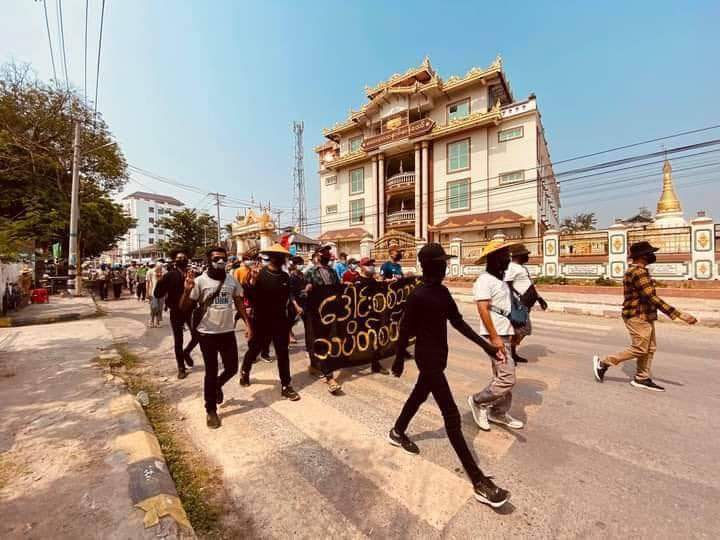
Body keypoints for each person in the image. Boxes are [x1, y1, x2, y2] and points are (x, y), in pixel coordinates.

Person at [389, 243, 510, 508]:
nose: (446, 266)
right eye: (442, 262)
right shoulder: (418, 296)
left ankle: (397, 431)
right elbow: (404, 330)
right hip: (427, 359)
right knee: (452, 418)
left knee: (419, 395)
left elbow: (458, 323)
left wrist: (488, 346)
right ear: (431, 266)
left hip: (439, 357)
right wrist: (398, 359)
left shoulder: (442, 293)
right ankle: (478, 480)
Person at [592, 241, 697, 391]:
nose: (652, 255)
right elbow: (651, 297)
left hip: (644, 314)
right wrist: (680, 315)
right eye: (650, 253)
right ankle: (604, 363)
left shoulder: (637, 270)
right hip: (637, 315)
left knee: (650, 348)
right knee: (640, 349)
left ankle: (642, 378)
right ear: (642, 256)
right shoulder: (638, 272)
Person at [179, 246, 251, 428]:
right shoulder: (200, 281)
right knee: (210, 372)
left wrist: (248, 324)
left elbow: (239, 302)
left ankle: (217, 385)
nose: (220, 262)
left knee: (232, 368)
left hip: (227, 332)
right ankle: (210, 409)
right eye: (216, 258)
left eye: (223, 259)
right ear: (208, 261)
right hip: (207, 334)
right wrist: (187, 291)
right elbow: (184, 308)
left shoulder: (231, 281)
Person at [467, 239, 524, 432]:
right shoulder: (484, 280)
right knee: (507, 378)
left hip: (505, 333)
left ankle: (498, 412)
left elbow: (505, 309)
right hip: (495, 335)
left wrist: (514, 332)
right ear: (493, 259)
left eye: (508, 256)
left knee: (501, 375)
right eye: (504, 256)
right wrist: (494, 338)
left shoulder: (500, 280)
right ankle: (478, 400)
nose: (508, 260)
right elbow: (482, 309)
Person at [239, 244, 301, 401]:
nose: (281, 260)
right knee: (254, 349)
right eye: (278, 257)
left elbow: (288, 298)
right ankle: (245, 371)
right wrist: (252, 281)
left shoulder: (285, 277)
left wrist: (292, 313)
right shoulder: (260, 274)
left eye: (283, 257)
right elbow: (251, 297)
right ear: (271, 257)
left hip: (280, 320)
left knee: (283, 353)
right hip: (261, 320)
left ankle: (286, 385)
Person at [154, 250, 199, 379]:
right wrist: (160, 281)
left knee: (197, 336)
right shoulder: (169, 276)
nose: (182, 259)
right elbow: (158, 294)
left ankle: (187, 352)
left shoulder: (193, 274)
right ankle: (181, 367)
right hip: (176, 311)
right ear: (174, 261)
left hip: (191, 310)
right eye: (179, 258)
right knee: (178, 340)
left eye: (184, 257)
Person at [304, 244, 342, 394]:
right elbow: (302, 293)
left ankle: (315, 365)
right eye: (325, 252)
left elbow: (338, 289)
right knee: (321, 341)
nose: (328, 254)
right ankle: (329, 376)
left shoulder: (333, 272)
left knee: (329, 339)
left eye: (329, 252)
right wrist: (306, 291)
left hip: (331, 313)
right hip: (317, 314)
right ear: (318, 255)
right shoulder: (310, 273)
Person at [503, 245, 548, 363]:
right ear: (519, 256)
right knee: (523, 329)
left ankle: (511, 353)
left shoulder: (521, 268)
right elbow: (507, 284)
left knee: (518, 330)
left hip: (526, 304)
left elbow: (529, 285)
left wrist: (539, 298)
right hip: (520, 304)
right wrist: (516, 300)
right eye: (526, 254)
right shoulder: (511, 267)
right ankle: (508, 354)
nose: (528, 256)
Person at [287, 256, 307, 343]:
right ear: (294, 265)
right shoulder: (291, 277)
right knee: (291, 320)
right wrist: (296, 306)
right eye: (299, 264)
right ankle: (289, 333)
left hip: (304, 301)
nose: (301, 266)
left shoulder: (303, 275)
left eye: (302, 264)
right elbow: (291, 294)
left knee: (306, 321)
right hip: (294, 303)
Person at [147, 262, 165, 327]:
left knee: (160, 308)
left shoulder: (164, 272)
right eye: (158, 267)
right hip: (153, 293)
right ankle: (151, 320)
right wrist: (147, 293)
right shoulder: (150, 272)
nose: (159, 268)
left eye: (161, 267)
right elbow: (148, 283)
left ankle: (157, 322)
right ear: (155, 266)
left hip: (162, 293)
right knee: (154, 307)